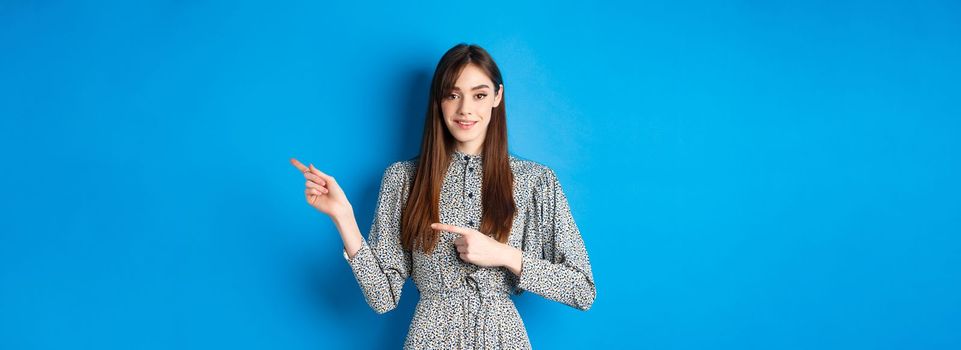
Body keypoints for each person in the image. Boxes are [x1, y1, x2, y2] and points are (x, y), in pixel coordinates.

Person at [290, 43, 595, 349]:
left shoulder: (535, 182)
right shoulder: (403, 179)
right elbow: (383, 298)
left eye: (479, 95)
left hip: (504, 339)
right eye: (453, 95)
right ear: (438, 100)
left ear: (497, 97)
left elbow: (581, 290)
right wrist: (344, 218)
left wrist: (503, 255)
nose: (465, 109)